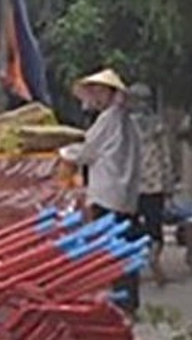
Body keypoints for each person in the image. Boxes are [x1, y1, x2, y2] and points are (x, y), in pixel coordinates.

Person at [59, 68, 144, 314]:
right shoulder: (126, 121)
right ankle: (128, 301)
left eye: (99, 91)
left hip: (108, 193)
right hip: (125, 195)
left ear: (110, 93)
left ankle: (121, 303)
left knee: (112, 248)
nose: (94, 97)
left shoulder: (109, 119)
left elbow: (88, 151)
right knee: (124, 246)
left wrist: (62, 154)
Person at [128, 82, 174, 286]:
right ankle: (154, 258)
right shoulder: (157, 124)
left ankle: (134, 266)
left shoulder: (125, 125)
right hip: (154, 183)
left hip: (132, 184)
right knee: (155, 225)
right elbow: (165, 157)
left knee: (131, 226)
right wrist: (169, 183)